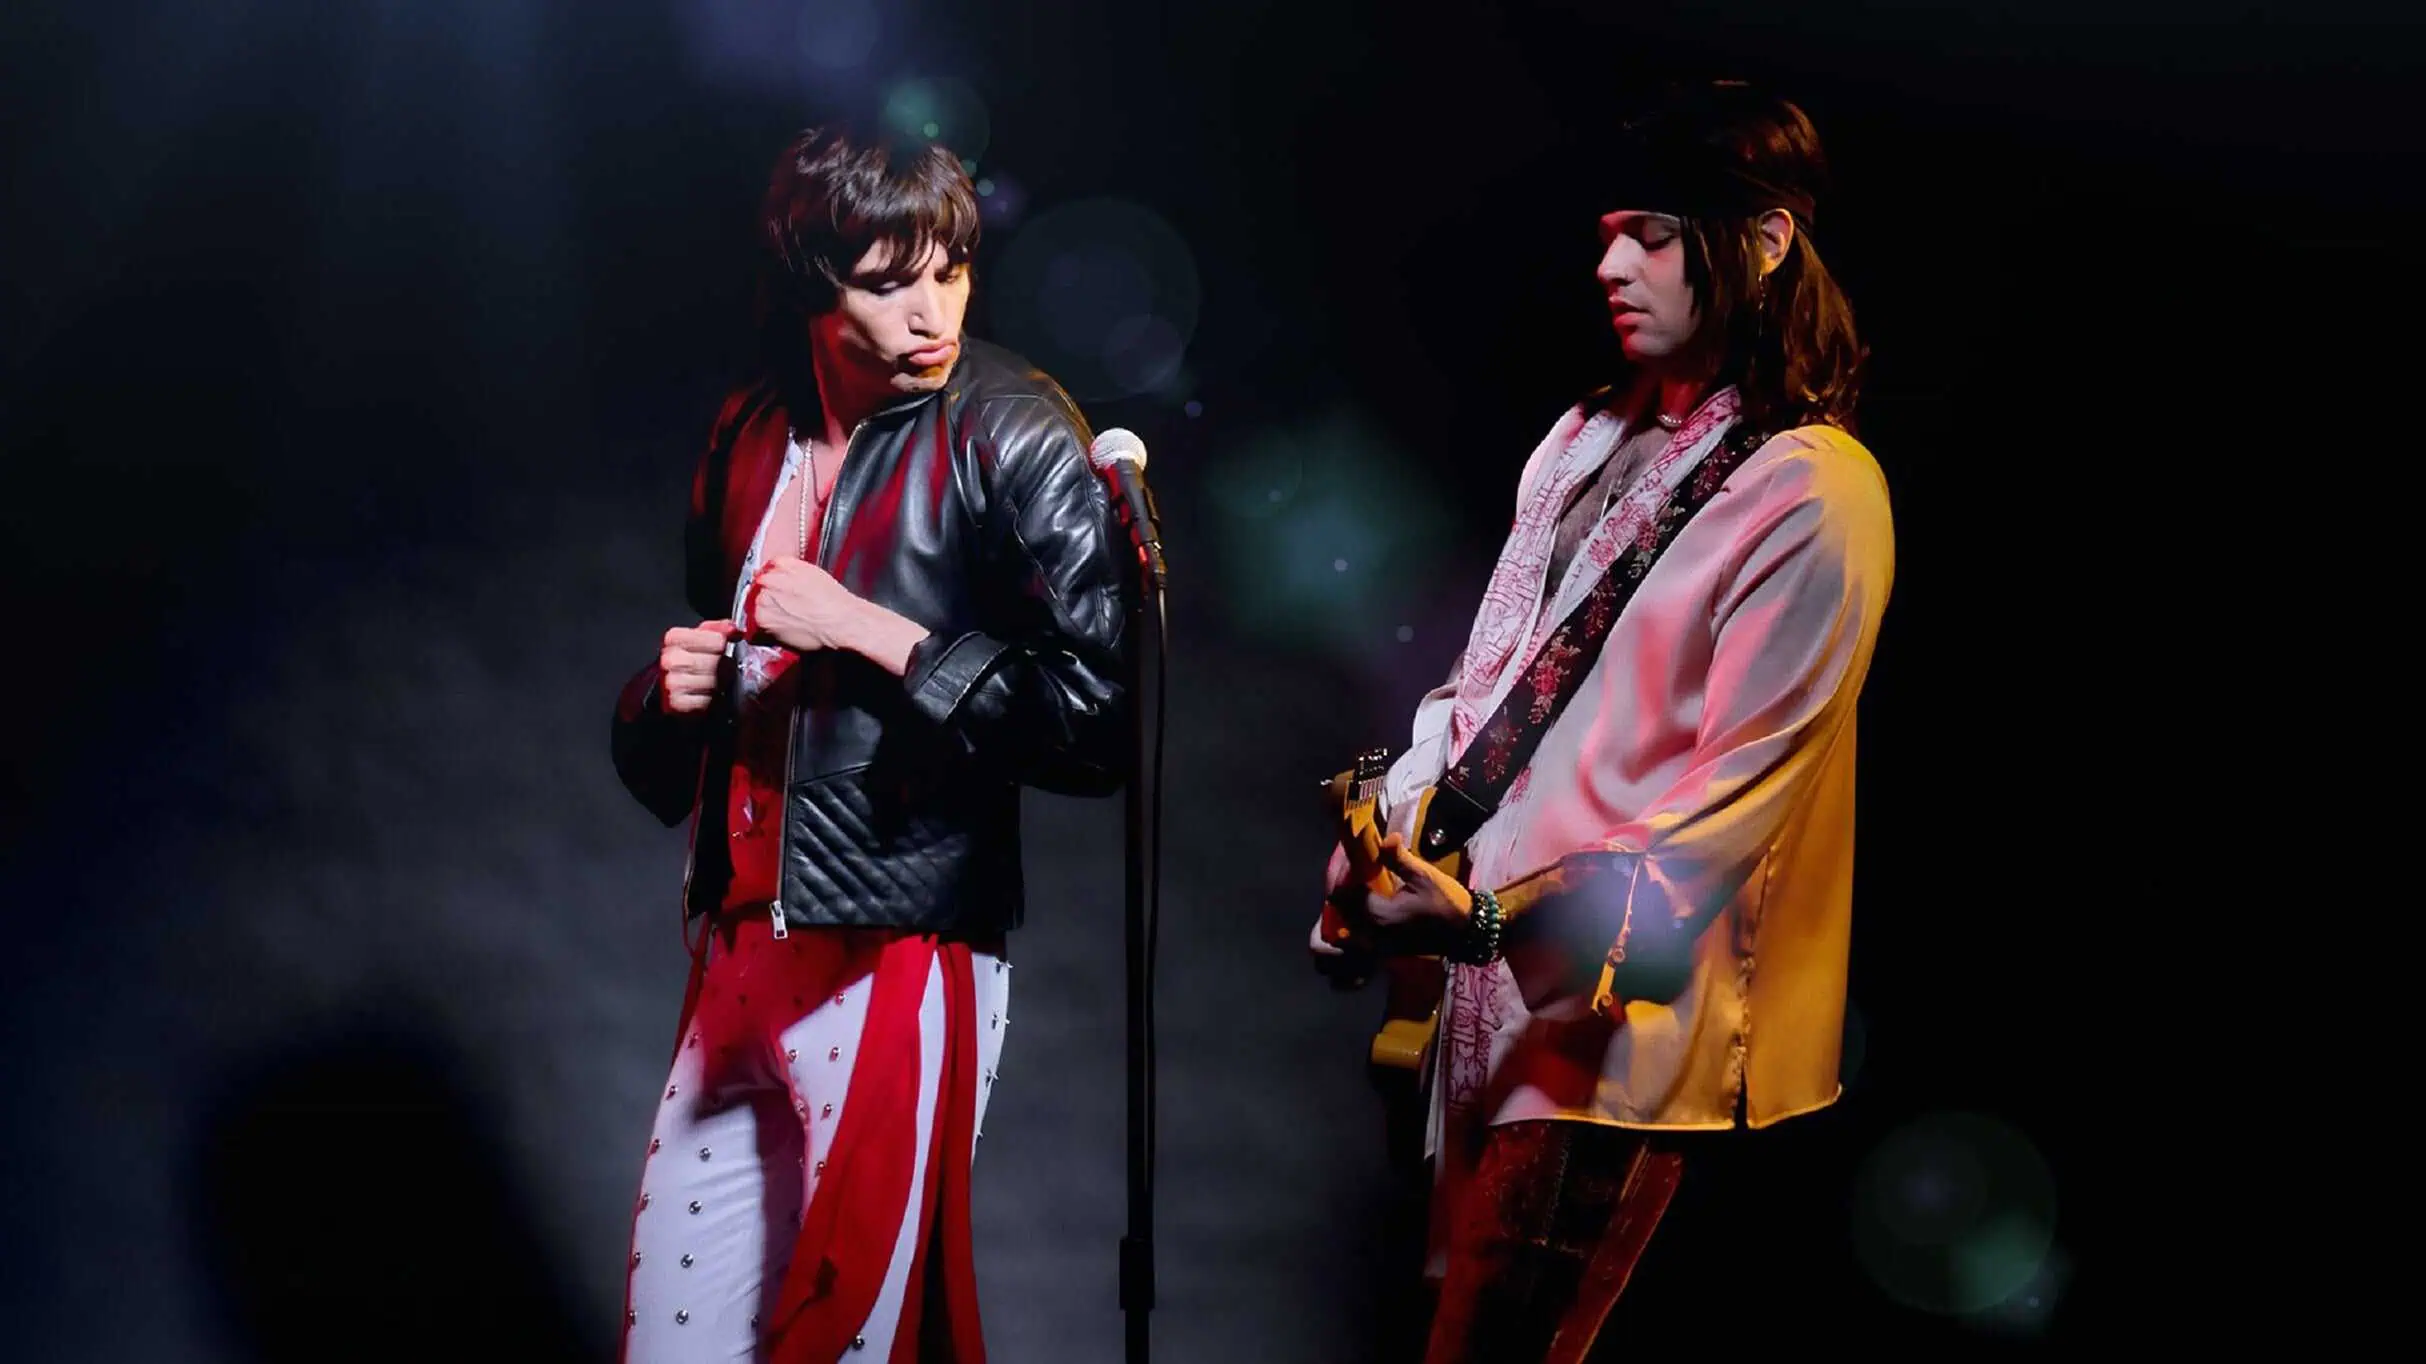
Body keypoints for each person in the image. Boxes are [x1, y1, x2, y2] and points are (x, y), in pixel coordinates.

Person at [1313, 82, 1894, 1358]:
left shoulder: (1814, 492)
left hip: (1618, 1039)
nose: (1608, 265)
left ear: (1763, 240)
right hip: (1478, 1003)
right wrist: (1386, 839)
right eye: (1605, 234)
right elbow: (1481, 695)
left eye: (1649, 234)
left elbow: (1717, 829)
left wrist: (1479, 919)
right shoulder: (1578, 438)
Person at [608, 120, 1134, 1362]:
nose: (930, 312)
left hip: (898, 949)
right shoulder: (748, 431)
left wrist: (869, 630)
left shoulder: (1011, 431)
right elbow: (705, 709)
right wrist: (667, 695)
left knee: (849, 1332)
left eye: (950, 269)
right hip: (740, 946)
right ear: (811, 282)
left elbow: (1096, 721)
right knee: (672, 1339)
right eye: (888, 282)